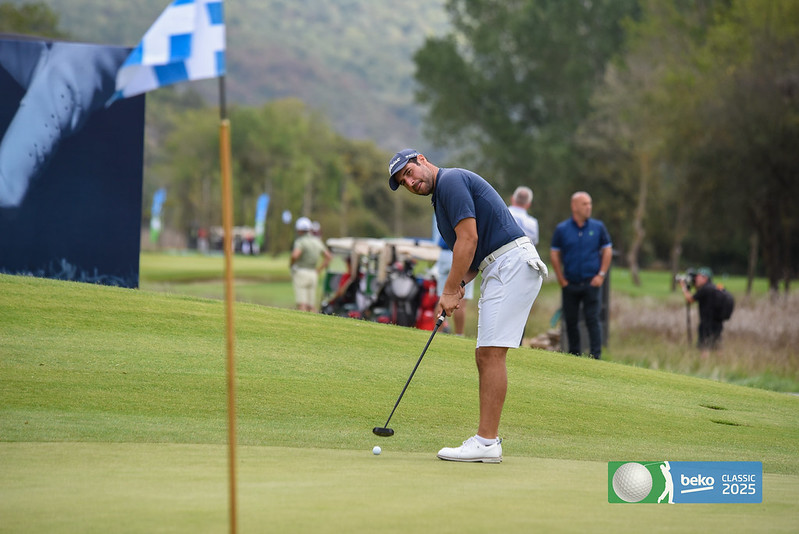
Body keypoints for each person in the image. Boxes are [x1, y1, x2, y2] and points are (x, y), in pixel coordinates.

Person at [388, 148, 548, 463]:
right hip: (499, 266)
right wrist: (456, 286)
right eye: (403, 182)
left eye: (408, 173)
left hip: (510, 263)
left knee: (490, 353)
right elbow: (471, 259)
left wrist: (449, 290)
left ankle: (486, 443)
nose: (410, 183)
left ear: (421, 159)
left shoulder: (450, 181)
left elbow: (469, 239)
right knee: (486, 353)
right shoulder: (441, 200)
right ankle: (487, 442)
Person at [550, 191, 612, 359]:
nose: (589, 207)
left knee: (592, 319)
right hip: (570, 283)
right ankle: (574, 355)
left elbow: (607, 250)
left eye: (590, 203)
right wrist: (561, 279)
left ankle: (595, 356)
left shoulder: (598, 227)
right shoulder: (562, 229)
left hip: (591, 283)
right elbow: (554, 254)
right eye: (585, 204)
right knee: (571, 321)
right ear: (574, 206)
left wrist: (601, 275)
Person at [433, 236, 474, 336]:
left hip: (444, 254)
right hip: (461, 253)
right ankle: (459, 335)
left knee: (442, 296)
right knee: (460, 299)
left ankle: (438, 334)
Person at [290, 216, 331, 312]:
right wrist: (319, 270)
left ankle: (301, 321)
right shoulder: (317, 241)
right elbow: (328, 257)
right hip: (313, 274)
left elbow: (295, 255)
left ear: (299, 230)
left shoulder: (301, 241)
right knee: (311, 305)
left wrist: (291, 264)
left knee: (302, 304)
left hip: (301, 272)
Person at [679, 267, 722, 358]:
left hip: (706, 322)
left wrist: (683, 287)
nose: (696, 279)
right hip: (717, 322)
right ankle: (721, 363)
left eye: (698, 277)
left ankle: (704, 363)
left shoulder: (705, 289)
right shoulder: (714, 288)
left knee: (704, 346)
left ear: (705, 278)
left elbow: (690, 299)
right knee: (716, 346)